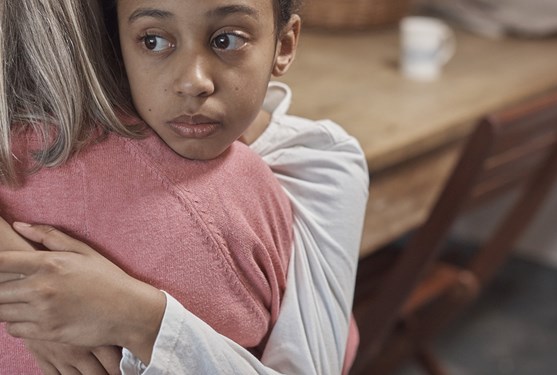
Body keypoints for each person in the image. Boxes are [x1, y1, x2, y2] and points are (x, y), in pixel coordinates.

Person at [0, 0, 368, 374]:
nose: (193, 81)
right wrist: (25, 290)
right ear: (116, 48)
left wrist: (138, 316)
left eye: (227, 40)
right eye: (154, 42)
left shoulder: (322, 162)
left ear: (285, 45)